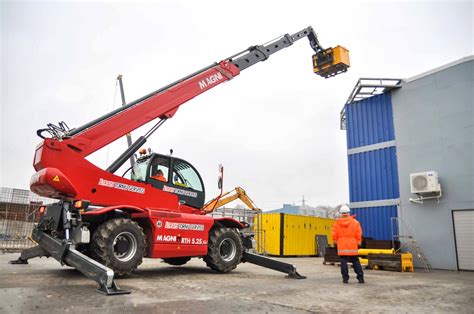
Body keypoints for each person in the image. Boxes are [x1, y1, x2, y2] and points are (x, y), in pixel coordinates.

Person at [331, 205, 365, 284]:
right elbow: (358, 233)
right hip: (352, 244)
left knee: (343, 261)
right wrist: (358, 241)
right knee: (355, 261)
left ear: (341, 213)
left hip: (342, 244)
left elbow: (334, 234)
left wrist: (335, 241)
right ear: (349, 213)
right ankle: (360, 278)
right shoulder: (355, 222)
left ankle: (345, 279)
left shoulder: (337, 223)